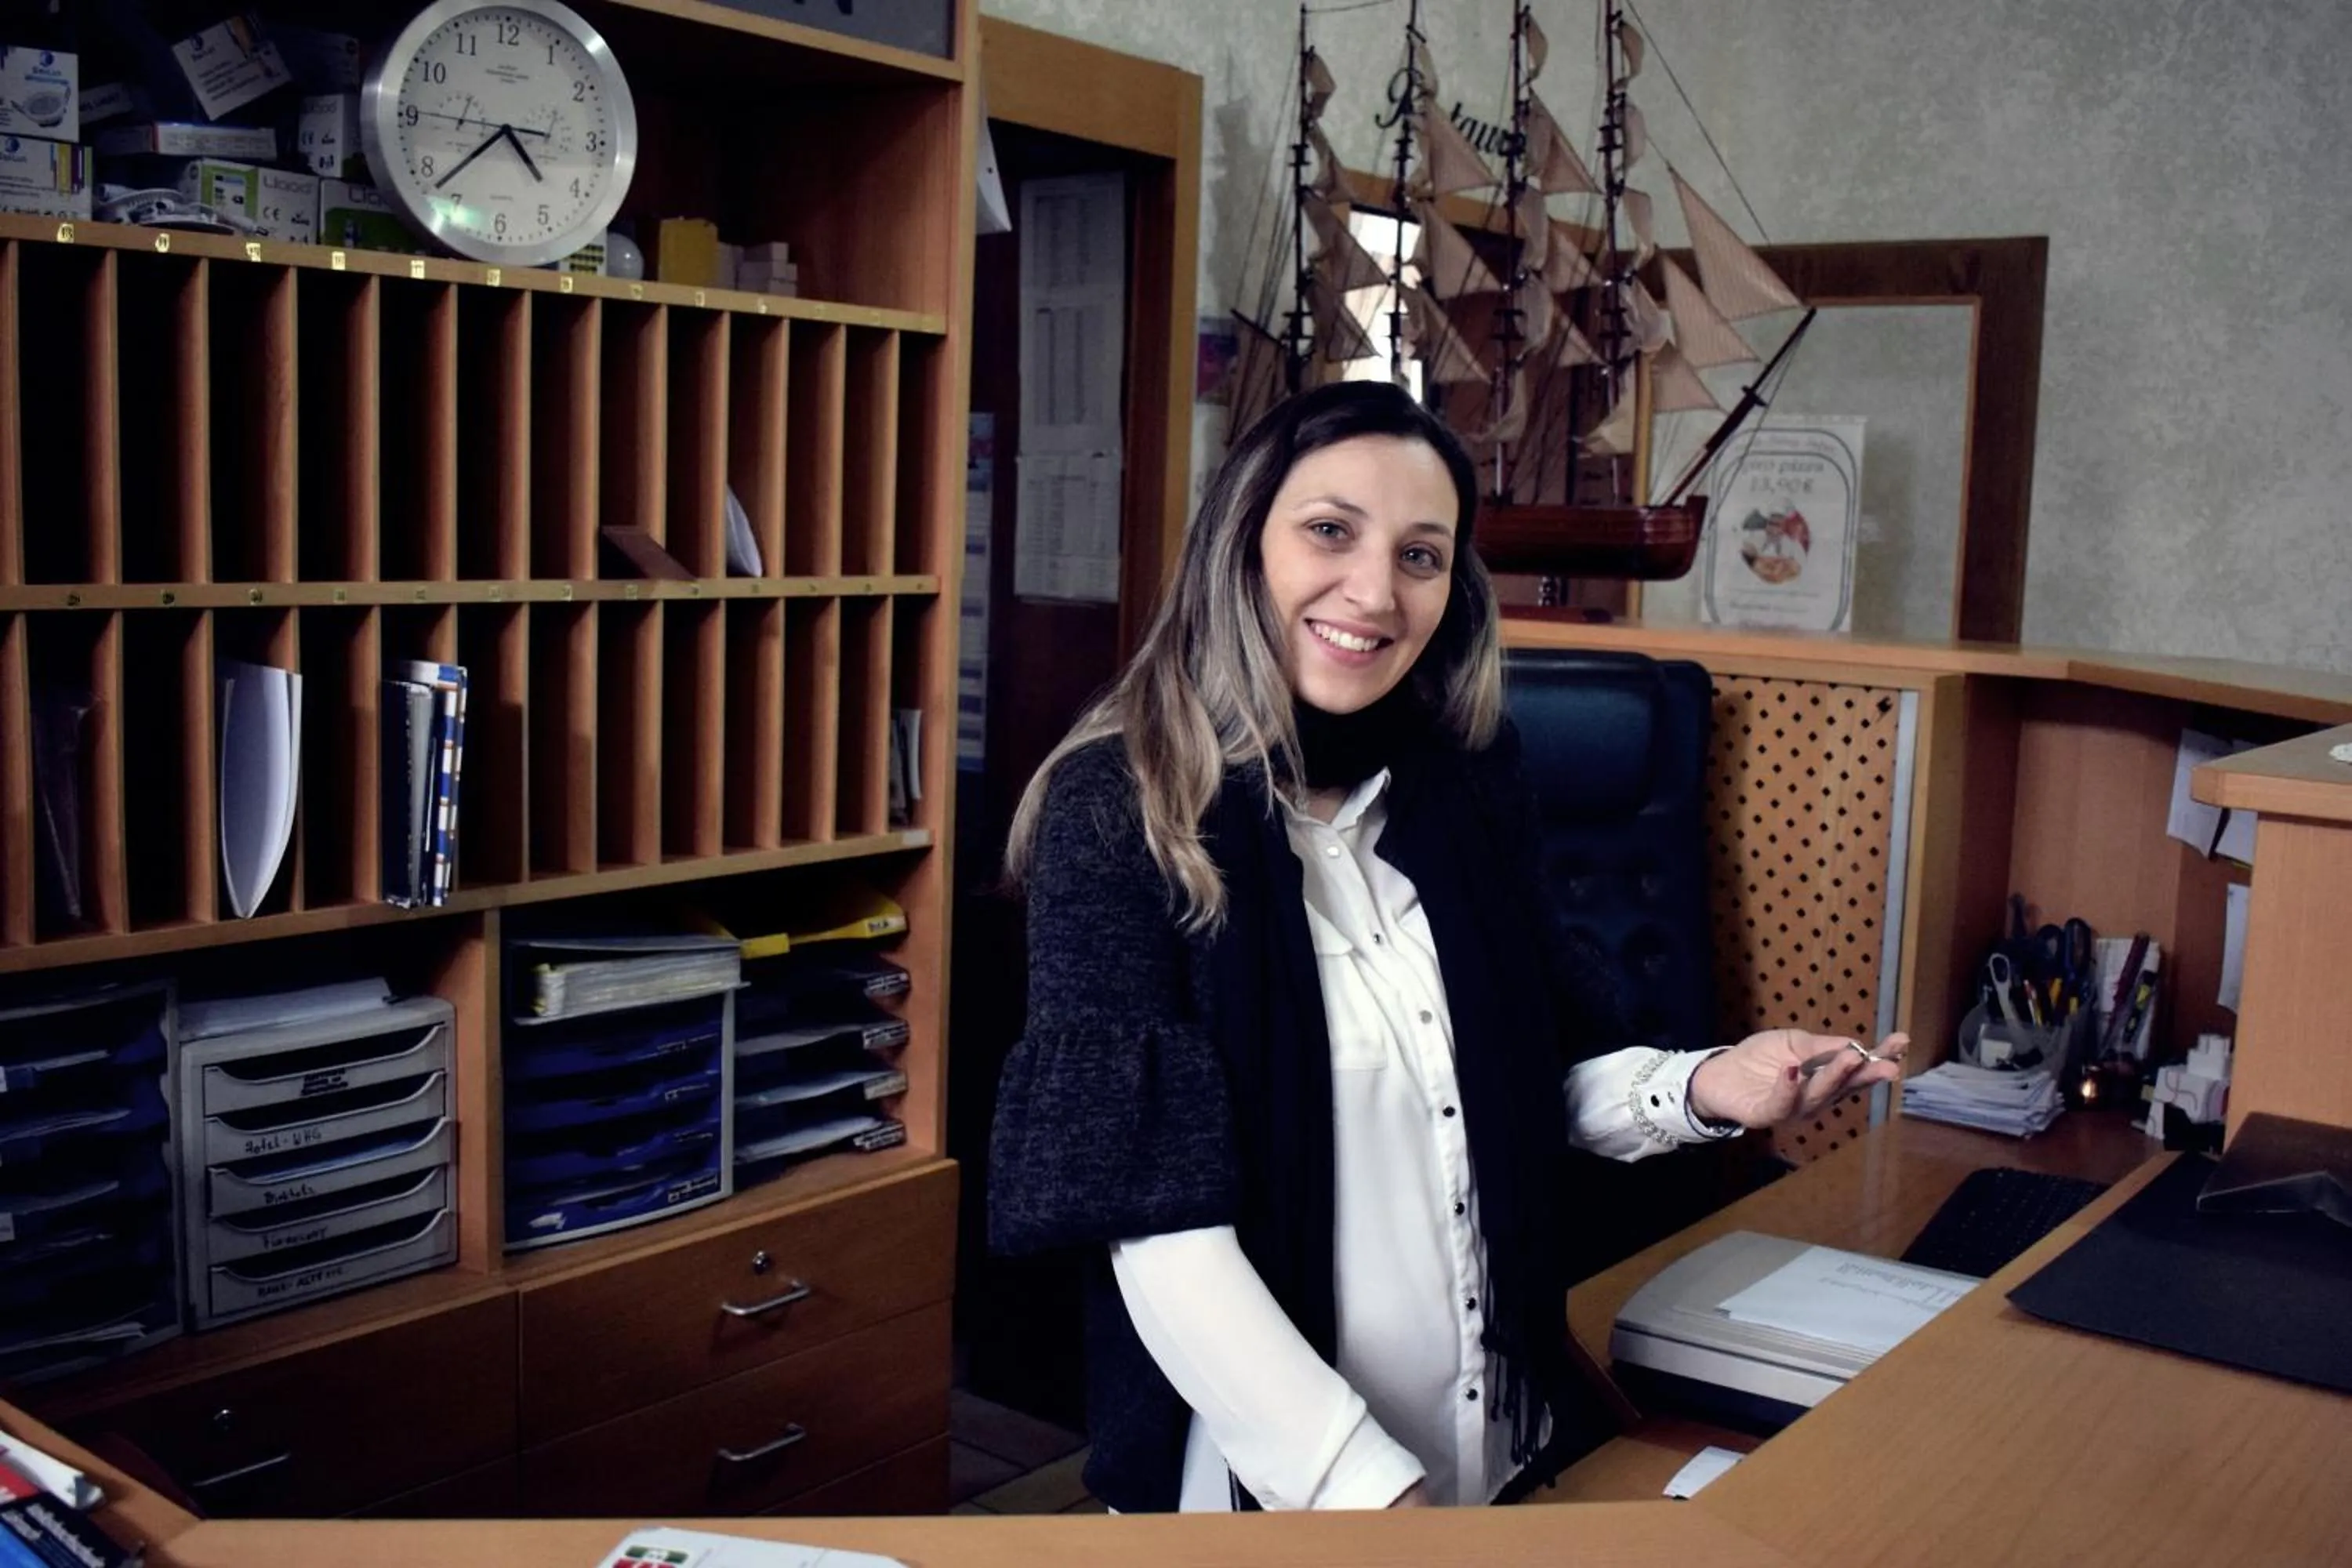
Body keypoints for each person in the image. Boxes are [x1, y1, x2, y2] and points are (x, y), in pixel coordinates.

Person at [987, 380, 1906, 1514]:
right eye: (1330, 531)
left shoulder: (1468, 783)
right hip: (1281, 1494)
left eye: (1420, 555)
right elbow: (1153, 1228)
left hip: (1502, 1449)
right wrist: (1368, 1495)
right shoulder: (1119, 808)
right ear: (1243, 544)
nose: (1373, 592)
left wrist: (1709, 1087)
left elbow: (1527, 1082)